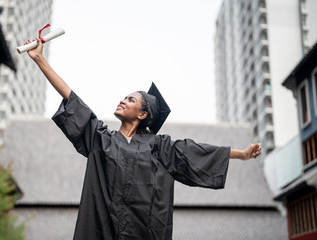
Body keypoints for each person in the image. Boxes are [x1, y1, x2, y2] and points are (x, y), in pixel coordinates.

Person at [24, 38, 262, 240]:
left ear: (142, 114)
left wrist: (241, 154)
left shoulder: (159, 148)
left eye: (131, 99)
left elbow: (196, 152)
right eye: (124, 97)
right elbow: (72, 100)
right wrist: (39, 59)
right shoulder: (101, 140)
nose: (123, 100)